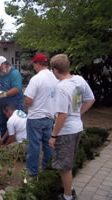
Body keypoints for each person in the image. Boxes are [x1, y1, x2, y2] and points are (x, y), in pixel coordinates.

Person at [49, 54, 95, 200]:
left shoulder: (61, 88)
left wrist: (53, 136)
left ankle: (68, 196)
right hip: (77, 128)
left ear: (55, 70)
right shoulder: (79, 80)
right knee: (68, 162)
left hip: (66, 131)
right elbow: (90, 99)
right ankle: (70, 188)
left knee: (65, 167)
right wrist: (78, 114)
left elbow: (62, 115)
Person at [23, 53, 58, 177]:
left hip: (35, 118)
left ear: (38, 64)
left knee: (34, 146)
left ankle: (32, 172)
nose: (33, 67)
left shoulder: (36, 79)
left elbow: (29, 100)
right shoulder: (54, 78)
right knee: (48, 145)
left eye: (34, 64)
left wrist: (25, 105)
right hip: (49, 117)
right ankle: (47, 169)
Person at [0, 56, 24, 138]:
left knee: (16, 127)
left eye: (0, 67)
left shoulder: (14, 74)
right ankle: (4, 143)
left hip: (15, 106)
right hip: (3, 107)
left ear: (5, 64)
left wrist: (5, 94)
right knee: (3, 126)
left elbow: (17, 88)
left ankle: (17, 144)